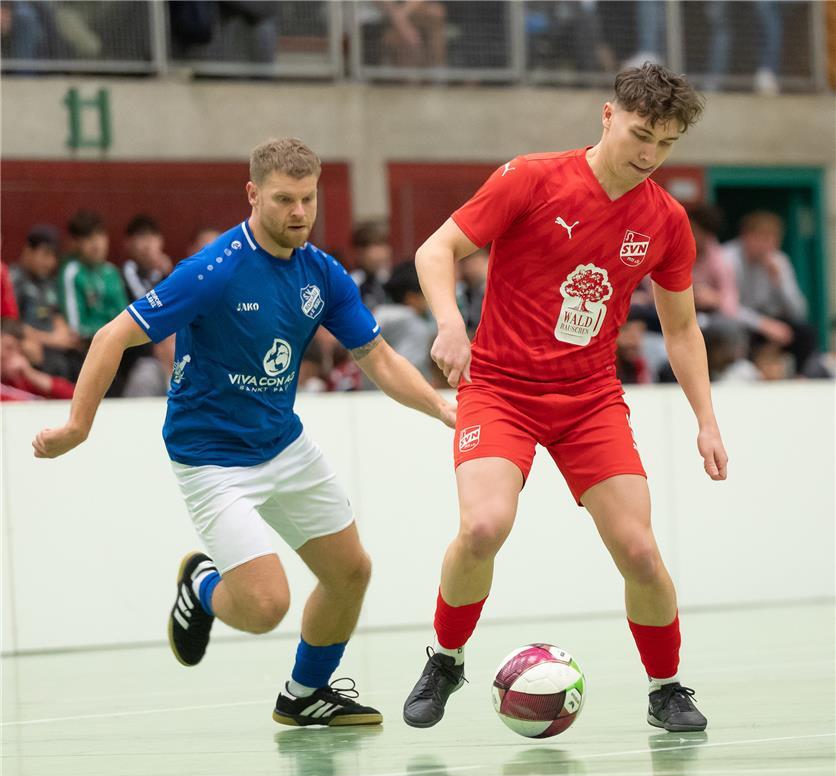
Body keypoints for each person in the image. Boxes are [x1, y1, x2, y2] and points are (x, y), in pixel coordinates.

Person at [33, 137, 455, 728]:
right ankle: (202, 585)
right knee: (264, 607)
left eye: (308, 199)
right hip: (211, 457)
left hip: (282, 442)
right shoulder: (213, 270)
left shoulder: (322, 273)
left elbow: (379, 358)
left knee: (350, 572)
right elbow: (110, 337)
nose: (300, 213)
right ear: (253, 195)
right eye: (284, 200)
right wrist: (78, 427)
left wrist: (442, 408)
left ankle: (304, 694)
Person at [402, 63, 727, 734]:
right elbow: (437, 250)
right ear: (608, 115)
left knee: (639, 551)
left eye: (666, 144)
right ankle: (447, 659)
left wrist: (707, 420)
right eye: (640, 135)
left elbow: (682, 328)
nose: (650, 155)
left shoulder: (666, 221)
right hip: (500, 388)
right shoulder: (530, 178)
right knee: (483, 527)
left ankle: (666, 689)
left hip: (590, 399)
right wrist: (451, 323)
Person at [723, 210, 815, 375]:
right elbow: (728, 307)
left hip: (771, 321)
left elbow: (799, 311)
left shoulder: (779, 261)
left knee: (804, 332)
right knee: (733, 330)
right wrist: (763, 325)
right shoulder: (727, 258)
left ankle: (802, 378)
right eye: (762, 239)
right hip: (742, 322)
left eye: (772, 240)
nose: (767, 246)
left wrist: (780, 282)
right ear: (746, 237)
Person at [10, 225, 84, 382]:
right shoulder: (15, 279)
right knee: (55, 364)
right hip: (31, 343)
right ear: (28, 251)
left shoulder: (49, 283)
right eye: (45, 254)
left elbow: (56, 314)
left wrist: (65, 335)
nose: (49, 262)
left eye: (53, 256)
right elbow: (12, 323)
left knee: (82, 359)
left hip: (54, 345)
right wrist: (51, 339)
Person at [59, 210, 128, 341]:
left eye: (100, 236)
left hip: (118, 341)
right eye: (88, 238)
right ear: (76, 243)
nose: (96, 244)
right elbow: (75, 327)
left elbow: (125, 317)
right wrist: (110, 333)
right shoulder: (72, 272)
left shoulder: (112, 272)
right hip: (89, 344)